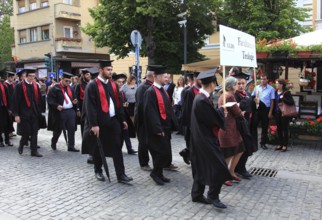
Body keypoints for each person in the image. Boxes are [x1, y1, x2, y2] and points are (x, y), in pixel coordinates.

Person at [81, 60, 133, 183]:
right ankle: (98, 170)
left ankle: (121, 174)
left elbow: (118, 103)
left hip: (113, 120)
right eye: (107, 69)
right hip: (99, 122)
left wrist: (122, 120)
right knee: (99, 148)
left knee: (117, 147)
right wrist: (94, 125)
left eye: (111, 69)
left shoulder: (113, 84)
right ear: (101, 70)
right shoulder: (92, 85)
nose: (110, 72)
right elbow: (90, 107)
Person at [190, 69, 231, 209]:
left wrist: (218, 112)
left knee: (200, 166)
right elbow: (212, 120)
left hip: (199, 138)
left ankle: (196, 194)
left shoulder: (201, 97)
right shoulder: (202, 100)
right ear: (213, 84)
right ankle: (213, 195)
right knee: (219, 166)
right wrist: (221, 112)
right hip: (205, 140)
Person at [143, 65, 172, 185]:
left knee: (164, 153)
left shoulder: (162, 90)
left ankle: (159, 173)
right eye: (164, 76)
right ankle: (155, 173)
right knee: (162, 152)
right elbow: (150, 112)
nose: (166, 79)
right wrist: (157, 128)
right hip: (157, 129)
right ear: (157, 76)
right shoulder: (150, 92)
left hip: (165, 126)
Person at [218, 77, 245, 186]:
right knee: (229, 153)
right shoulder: (229, 96)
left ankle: (231, 172)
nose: (237, 86)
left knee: (240, 149)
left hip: (230, 128)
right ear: (231, 86)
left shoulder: (223, 95)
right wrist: (241, 111)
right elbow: (237, 113)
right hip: (228, 129)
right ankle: (223, 176)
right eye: (236, 84)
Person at [13, 68, 43, 157]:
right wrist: (16, 115)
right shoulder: (19, 86)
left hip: (34, 113)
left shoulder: (35, 86)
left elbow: (39, 99)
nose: (32, 78)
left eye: (33, 76)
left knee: (34, 132)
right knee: (26, 132)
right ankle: (22, 144)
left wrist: (40, 111)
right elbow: (15, 101)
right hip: (23, 113)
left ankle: (34, 151)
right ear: (26, 76)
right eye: (30, 76)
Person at [47, 72, 80, 152]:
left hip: (70, 111)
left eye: (69, 81)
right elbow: (50, 100)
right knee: (58, 129)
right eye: (66, 81)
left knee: (71, 128)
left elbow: (74, 97)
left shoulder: (70, 88)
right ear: (61, 79)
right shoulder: (55, 88)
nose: (68, 83)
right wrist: (56, 105)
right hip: (60, 111)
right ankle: (54, 142)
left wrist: (76, 103)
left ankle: (71, 146)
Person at [233, 72, 257, 179]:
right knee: (243, 148)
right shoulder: (234, 95)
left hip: (248, 123)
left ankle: (240, 168)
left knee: (247, 147)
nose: (241, 85)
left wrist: (256, 102)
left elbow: (251, 107)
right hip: (239, 126)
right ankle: (240, 169)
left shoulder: (247, 94)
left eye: (243, 83)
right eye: (238, 83)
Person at [179, 72, 201, 165]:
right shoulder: (189, 92)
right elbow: (187, 110)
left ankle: (187, 153)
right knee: (192, 143)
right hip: (191, 123)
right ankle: (190, 156)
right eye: (200, 78)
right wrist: (191, 124)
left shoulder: (201, 90)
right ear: (194, 79)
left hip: (199, 122)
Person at [134, 69, 154, 171]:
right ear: (152, 76)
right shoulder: (143, 88)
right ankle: (144, 163)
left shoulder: (150, 86)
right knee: (143, 142)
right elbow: (142, 106)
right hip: (142, 119)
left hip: (149, 119)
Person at [112, 73, 137, 155]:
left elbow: (123, 100)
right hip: (115, 117)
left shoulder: (120, 91)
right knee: (117, 134)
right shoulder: (112, 91)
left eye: (122, 82)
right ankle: (116, 149)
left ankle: (129, 148)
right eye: (119, 82)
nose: (121, 84)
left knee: (125, 132)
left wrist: (124, 104)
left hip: (123, 115)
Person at [252, 74, 275, 149]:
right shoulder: (256, 87)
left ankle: (263, 143)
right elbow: (252, 97)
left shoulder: (271, 89)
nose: (262, 81)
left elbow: (272, 101)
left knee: (264, 127)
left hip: (266, 109)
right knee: (254, 125)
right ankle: (253, 142)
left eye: (264, 79)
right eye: (261, 79)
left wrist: (270, 112)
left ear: (267, 80)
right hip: (257, 109)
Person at [274, 79, 294, 152]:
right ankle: (280, 144)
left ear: (281, 85)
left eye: (277, 83)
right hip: (277, 112)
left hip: (284, 113)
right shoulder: (276, 92)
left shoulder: (286, 92)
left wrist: (284, 99)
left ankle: (285, 145)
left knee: (284, 129)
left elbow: (291, 102)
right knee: (279, 129)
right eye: (276, 83)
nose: (276, 85)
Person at [0, 76, 13, 147]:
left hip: (4, 108)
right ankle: (0, 141)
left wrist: (10, 108)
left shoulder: (4, 86)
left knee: (7, 124)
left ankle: (7, 140)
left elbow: (8, 98)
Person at [3, 71, 16, 139]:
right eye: (12, 78)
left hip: (13, 104)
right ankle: (8, 132)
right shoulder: (5, 84)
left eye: (13, 78)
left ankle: (10, 131)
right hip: (7, 104)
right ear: (8, 77)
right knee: (8, 119)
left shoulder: (13, 84)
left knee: (12, 118)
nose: (13, 79)